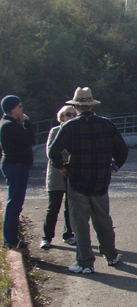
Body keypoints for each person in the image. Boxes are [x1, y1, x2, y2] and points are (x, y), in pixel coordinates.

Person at [49, 87, 129, 274]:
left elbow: (53, 151)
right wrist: (113, 167)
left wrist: (62, 167)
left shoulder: (69, 126)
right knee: (103, 220)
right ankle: (110, 255)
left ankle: (85, 262)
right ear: (92, 106)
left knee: (80, 223)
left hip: (77, 181)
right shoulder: (107, 125)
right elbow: (122, 150)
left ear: (76, 107)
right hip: (101, 180)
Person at [0, 95, 35, 250]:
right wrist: (27, 122)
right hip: (16, 166)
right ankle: (10, 239)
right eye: (20, 106)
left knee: (15, 202)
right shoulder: (9, 125)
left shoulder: (11, 124)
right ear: (12, 108)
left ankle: (10, 237)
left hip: (16, 165)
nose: (22, 109)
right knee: (14, 203)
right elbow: (30, 139)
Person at [40, 106, 77, 249]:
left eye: (74, 114)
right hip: (56, 173)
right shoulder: (55, 131)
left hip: (72, 173)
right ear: (61, 117)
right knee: (53, 207)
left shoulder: (77, 131)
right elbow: (51, 151)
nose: (71, 116)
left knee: (70, 207)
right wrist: (63, 161)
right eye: (68, 114)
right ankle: (47, 237)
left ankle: (69, 234)